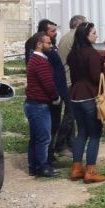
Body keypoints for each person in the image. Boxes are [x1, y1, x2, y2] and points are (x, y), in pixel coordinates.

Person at [66, 22, 105, 184]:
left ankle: (76, 168)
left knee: (81, 132)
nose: (96, 35)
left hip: (75, 95)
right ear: (86, 35)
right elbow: (95, 77)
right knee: (95, 134)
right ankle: (90, 171)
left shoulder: (73, 53)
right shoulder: (91, 54)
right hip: (90, 96)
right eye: (93, 33)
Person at [23, 32, 61, 178]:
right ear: (39, 44)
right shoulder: (40, 62)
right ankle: (42, 166)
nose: (51, 46)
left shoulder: (34, 59)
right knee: (44, 138)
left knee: (36, 137)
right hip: (39, 105)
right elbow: (48, 84)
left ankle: (34, 166)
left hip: (33, 104)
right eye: (48, 43)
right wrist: (56, 97)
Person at [55, 14, 88, 156]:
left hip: (65, 79)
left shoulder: (66, 36)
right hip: (70, 81)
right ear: (79, 25)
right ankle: (61, 145)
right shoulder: (75, 37)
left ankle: (70, 143)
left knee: (71, 114)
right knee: (71, 115)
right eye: (85, 24)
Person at [37, 19, 68, 165]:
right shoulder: (43, 51)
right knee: (49, 127)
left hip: (57, 92)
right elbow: (47, 76)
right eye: (52, 31)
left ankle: (50, 154)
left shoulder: (51, 47)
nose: (55, 34)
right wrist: (54, 95)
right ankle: (47, 157)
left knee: (54, 125)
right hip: (50, 95)